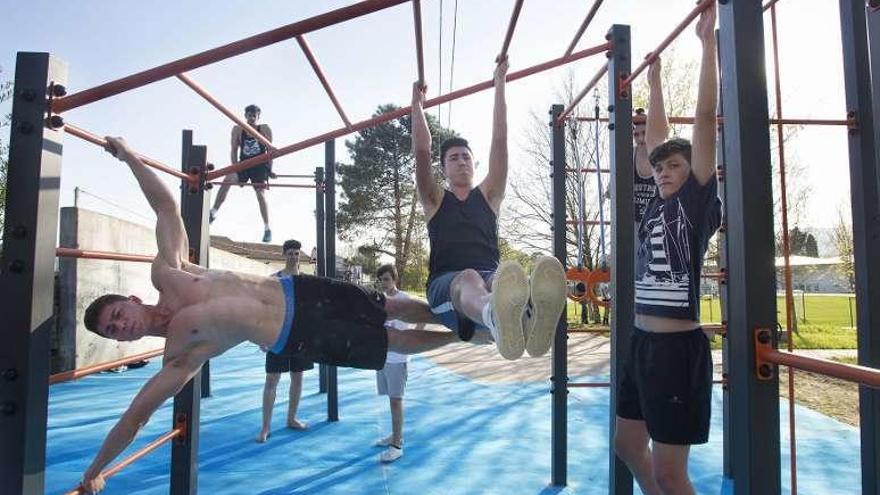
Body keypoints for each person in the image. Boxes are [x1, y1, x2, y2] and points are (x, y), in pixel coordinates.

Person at [77, 136, 458, 493]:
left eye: (116, 314)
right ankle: (464, 334)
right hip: (295, 333)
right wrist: (94, 471)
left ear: (129, 298)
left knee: (387, 305)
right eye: (113, 331)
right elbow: (135, 417)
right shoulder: (179, 355)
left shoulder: (168, 272)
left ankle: (452, 316)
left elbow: (165, 207)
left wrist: (129, 156)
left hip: (299, 290)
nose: (120, 326)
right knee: (388, 340)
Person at [613, 5, 721, 495]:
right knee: (626, 443)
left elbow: (701, 117)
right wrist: (653, 82)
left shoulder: (694, 204)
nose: (663, 171)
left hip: (677, 351)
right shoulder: (656, 203)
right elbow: (657, 141)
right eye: (659, 168)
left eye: (674, 165)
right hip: (640, 345)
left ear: (692, 169)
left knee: (670, 471)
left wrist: (706, 44)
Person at [411, 58, 567, 361]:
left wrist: (500, 84)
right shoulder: (434, 200)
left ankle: (528, 319)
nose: (461, 161)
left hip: (488, 276)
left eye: (466, 157)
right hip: (448, 288)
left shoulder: (489, 195)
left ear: (474, 163)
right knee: (470, 277)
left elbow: (499, 139)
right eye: (453, 158)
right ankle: (494, 314)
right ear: (443, 169)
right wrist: (416, 104)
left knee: (506, 277)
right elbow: (420, 151)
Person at [256, 239, 313, 443]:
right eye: (290, 253)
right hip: (277, 336)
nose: (293, 256)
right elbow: (263, 309)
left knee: (297, 378)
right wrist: (262, 337)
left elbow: (311, 312)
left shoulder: (307, 281)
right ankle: (265, 427)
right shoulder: (274, 280)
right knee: (272, 379)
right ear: (284, 255)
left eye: (297, 253)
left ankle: (291, 418)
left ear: (300, 255)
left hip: (299, 337)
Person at [372, 264, 421, 463]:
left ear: (394, 278)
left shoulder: (405, 299)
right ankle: (394, 434)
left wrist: (415, 338)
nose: (383, 283)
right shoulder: (380, 300)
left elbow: (422, 318)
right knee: (390, 399)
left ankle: (397, 445)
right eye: (381, 279)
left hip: (398, 359)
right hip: (383, 357)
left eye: (386, 279)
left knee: (396, 400)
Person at [209, 104, 275, 243]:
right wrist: (234, 168)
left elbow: (270, 151)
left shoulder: (264, 128)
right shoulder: (238, 129)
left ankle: (267, 228)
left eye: (254, 116)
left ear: (257, 117)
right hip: (244, 164)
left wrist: (269, 170)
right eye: (249, 115)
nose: (251, 118)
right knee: (227, 179)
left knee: (260, 195)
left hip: (259, 165)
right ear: (245, 116)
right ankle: (213, 212)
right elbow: (233, 150)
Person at [633, 58, 670, 225]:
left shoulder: (658, 150)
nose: (641, 139)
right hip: (634, 223)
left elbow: (660, 131)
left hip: (657, 221)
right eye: (636, 135)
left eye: (644, 133)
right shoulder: (629, 156)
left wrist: (655, 81)